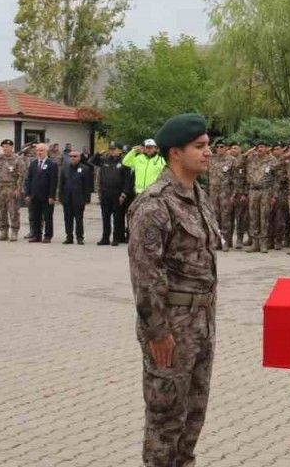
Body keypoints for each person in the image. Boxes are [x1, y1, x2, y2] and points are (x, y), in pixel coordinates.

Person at [127, 113, 221, 467]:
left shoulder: (199, 196)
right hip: (170, 328)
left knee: (193, 415)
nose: (208, 152)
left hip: (201, 323)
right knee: (166, 419)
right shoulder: (155, 203)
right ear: (175, 153)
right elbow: (145, 274)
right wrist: (158, 332)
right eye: (199, 146)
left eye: (208, 145)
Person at [92, 144, 135, 246]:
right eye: (110, 149)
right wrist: (97, 154)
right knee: (105, 217)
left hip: (117, 194)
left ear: (119, 151)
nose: (111, 151)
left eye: (114, 149)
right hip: (105, 193)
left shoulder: (124, 162)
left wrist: (124, 193)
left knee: (117, 217)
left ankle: (116, 238)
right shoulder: (105, 160)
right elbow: (92, 161)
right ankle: (105, 238)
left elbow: (128, 180)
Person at [0, 139, 26, 241]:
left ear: (12, 147)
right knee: (1, 210)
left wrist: (18, 189)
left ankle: (14, 232)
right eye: (3, 146)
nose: (5, 148)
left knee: (13, 211)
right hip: (0, 187)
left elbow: (22, 175)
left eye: (7, 146)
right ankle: (3, 232)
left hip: (12, 187)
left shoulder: (18, 159)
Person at [24, 143, 59, 243]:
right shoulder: (33, 164)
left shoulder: (52, 164)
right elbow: (29, 180)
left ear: (46, 151)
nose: (39, 152)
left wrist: (52, 196)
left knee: (47, 217)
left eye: (41, 150)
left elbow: (54, 181)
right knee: (36, 216)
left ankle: (48, 236)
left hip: (46, 195)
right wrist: (28, 194)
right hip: (35, 195)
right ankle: (37, 235)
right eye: (38, 150)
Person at [58, 150, 94, 244]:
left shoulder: (85, 169)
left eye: (75, 156)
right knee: (67, 219)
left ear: (79, 157)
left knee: (79, 219)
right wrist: (60, 197)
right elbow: (61, 184)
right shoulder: (65, 168)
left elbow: (88, 185)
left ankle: (79, 237)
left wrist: (87, 198)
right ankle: (69, 237)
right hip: (67, 198)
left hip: (79, 198)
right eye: (71, 156)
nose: (72, 158)